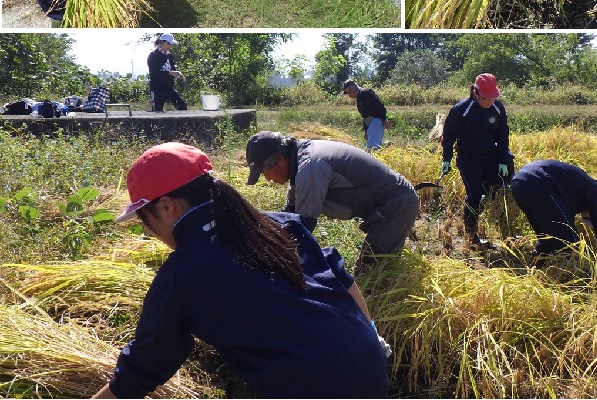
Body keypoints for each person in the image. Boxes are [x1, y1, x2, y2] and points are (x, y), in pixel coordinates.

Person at [91, 142, 390, 399]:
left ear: (167, 207)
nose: (148, 229)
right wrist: (372, 337)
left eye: (143, 218)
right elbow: (339, 275)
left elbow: (141, 368)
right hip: (370, 366)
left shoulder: (181, 274)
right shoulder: (279, 224)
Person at [246, 131, 420, 268]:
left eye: (264, 173)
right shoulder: (299, 160)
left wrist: (276, 257)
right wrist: (263, 234)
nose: (267, 179)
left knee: (371, 273)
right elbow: (290, 211)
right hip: (382, 203)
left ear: (279, 160)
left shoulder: (310, 167)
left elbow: (303, 225)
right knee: (372, 268)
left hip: (396, 204)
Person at [441, 73, 510, 247]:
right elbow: (448, 135)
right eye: (486, 98)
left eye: (493, 98)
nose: (490, 102)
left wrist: (503, 159)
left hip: (491, 157)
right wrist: (447, 159)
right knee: (474, 195)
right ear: (476, 93)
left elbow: (503, 135)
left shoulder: (498, 109)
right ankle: (472, 236)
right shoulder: (461, 109)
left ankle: (506, 232)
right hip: (468, 158)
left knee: (499, 191)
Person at [510, 160, 597, 269]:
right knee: (570, 243)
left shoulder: (579, 191)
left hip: (518, 182)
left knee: (546, 236)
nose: (584, 218)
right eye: (587, 218)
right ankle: (573, 276)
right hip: (538, 183)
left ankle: (536, 268)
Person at [342, 79, 393, 150]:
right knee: (371, 148)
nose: (348, 95)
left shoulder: (365, 93)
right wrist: (366, 130)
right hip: (370, 123)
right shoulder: (359, 97)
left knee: (373, 149)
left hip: (376, 122)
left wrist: (384, 120)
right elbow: (365, 116)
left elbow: (379, 106)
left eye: (347, 92)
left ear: (351, 89)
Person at [147, 33, 187, 112]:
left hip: (169, 88)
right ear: (161, 42)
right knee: (157, 111)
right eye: (168, 43)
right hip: (157, 89)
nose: (170, 46)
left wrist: (176, 73)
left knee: (182, 106)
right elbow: (153, 74)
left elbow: (172, 69)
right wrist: (169, 73)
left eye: (171, 44)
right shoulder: (153, 55)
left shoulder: (169, 55)